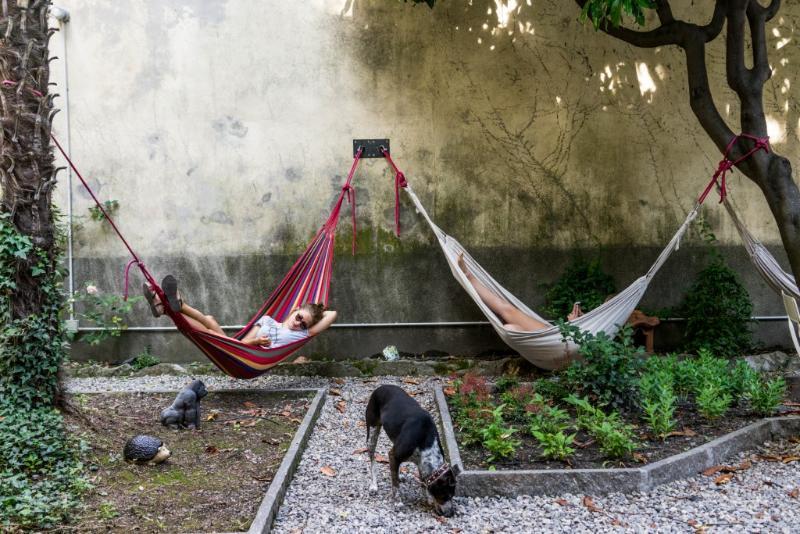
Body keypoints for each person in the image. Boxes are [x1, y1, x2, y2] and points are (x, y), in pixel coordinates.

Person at [143, 275, 337, 348]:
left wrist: (257, 342)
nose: (299, 324)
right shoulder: (268, 321)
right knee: (209, 319)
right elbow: (241, 343)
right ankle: (173, 306)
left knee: (209, 332)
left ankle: (168, 308)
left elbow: (332, 314)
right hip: (236, 349)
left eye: (304, 324)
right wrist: (255, 341)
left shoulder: (300, 335)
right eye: (299, 317)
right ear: (295, 310)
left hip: (244, 357)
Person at [457, 252, 582, 331]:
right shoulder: (602, 316)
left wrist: (577, 326)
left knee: (510, 328)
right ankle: (468, 276)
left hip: (563, 342)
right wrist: (580, 322)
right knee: (508, 310)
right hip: (559, 336)